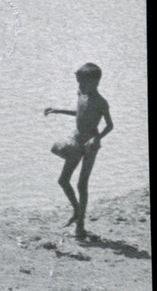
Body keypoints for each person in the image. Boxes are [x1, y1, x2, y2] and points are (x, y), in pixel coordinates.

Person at [44, 63, 114, 240]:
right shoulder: (80, 94)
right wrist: (58, 110)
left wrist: (97, 138)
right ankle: (76, 210)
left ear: (95, 82)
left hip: (91, 144)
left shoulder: (101, 102)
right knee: (63, 180)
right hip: (77, 138)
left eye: (82, 83)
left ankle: (81, 225)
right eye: (78, 83)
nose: (79, 86)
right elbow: (80, 113)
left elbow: (109, 125)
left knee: (82, 184)